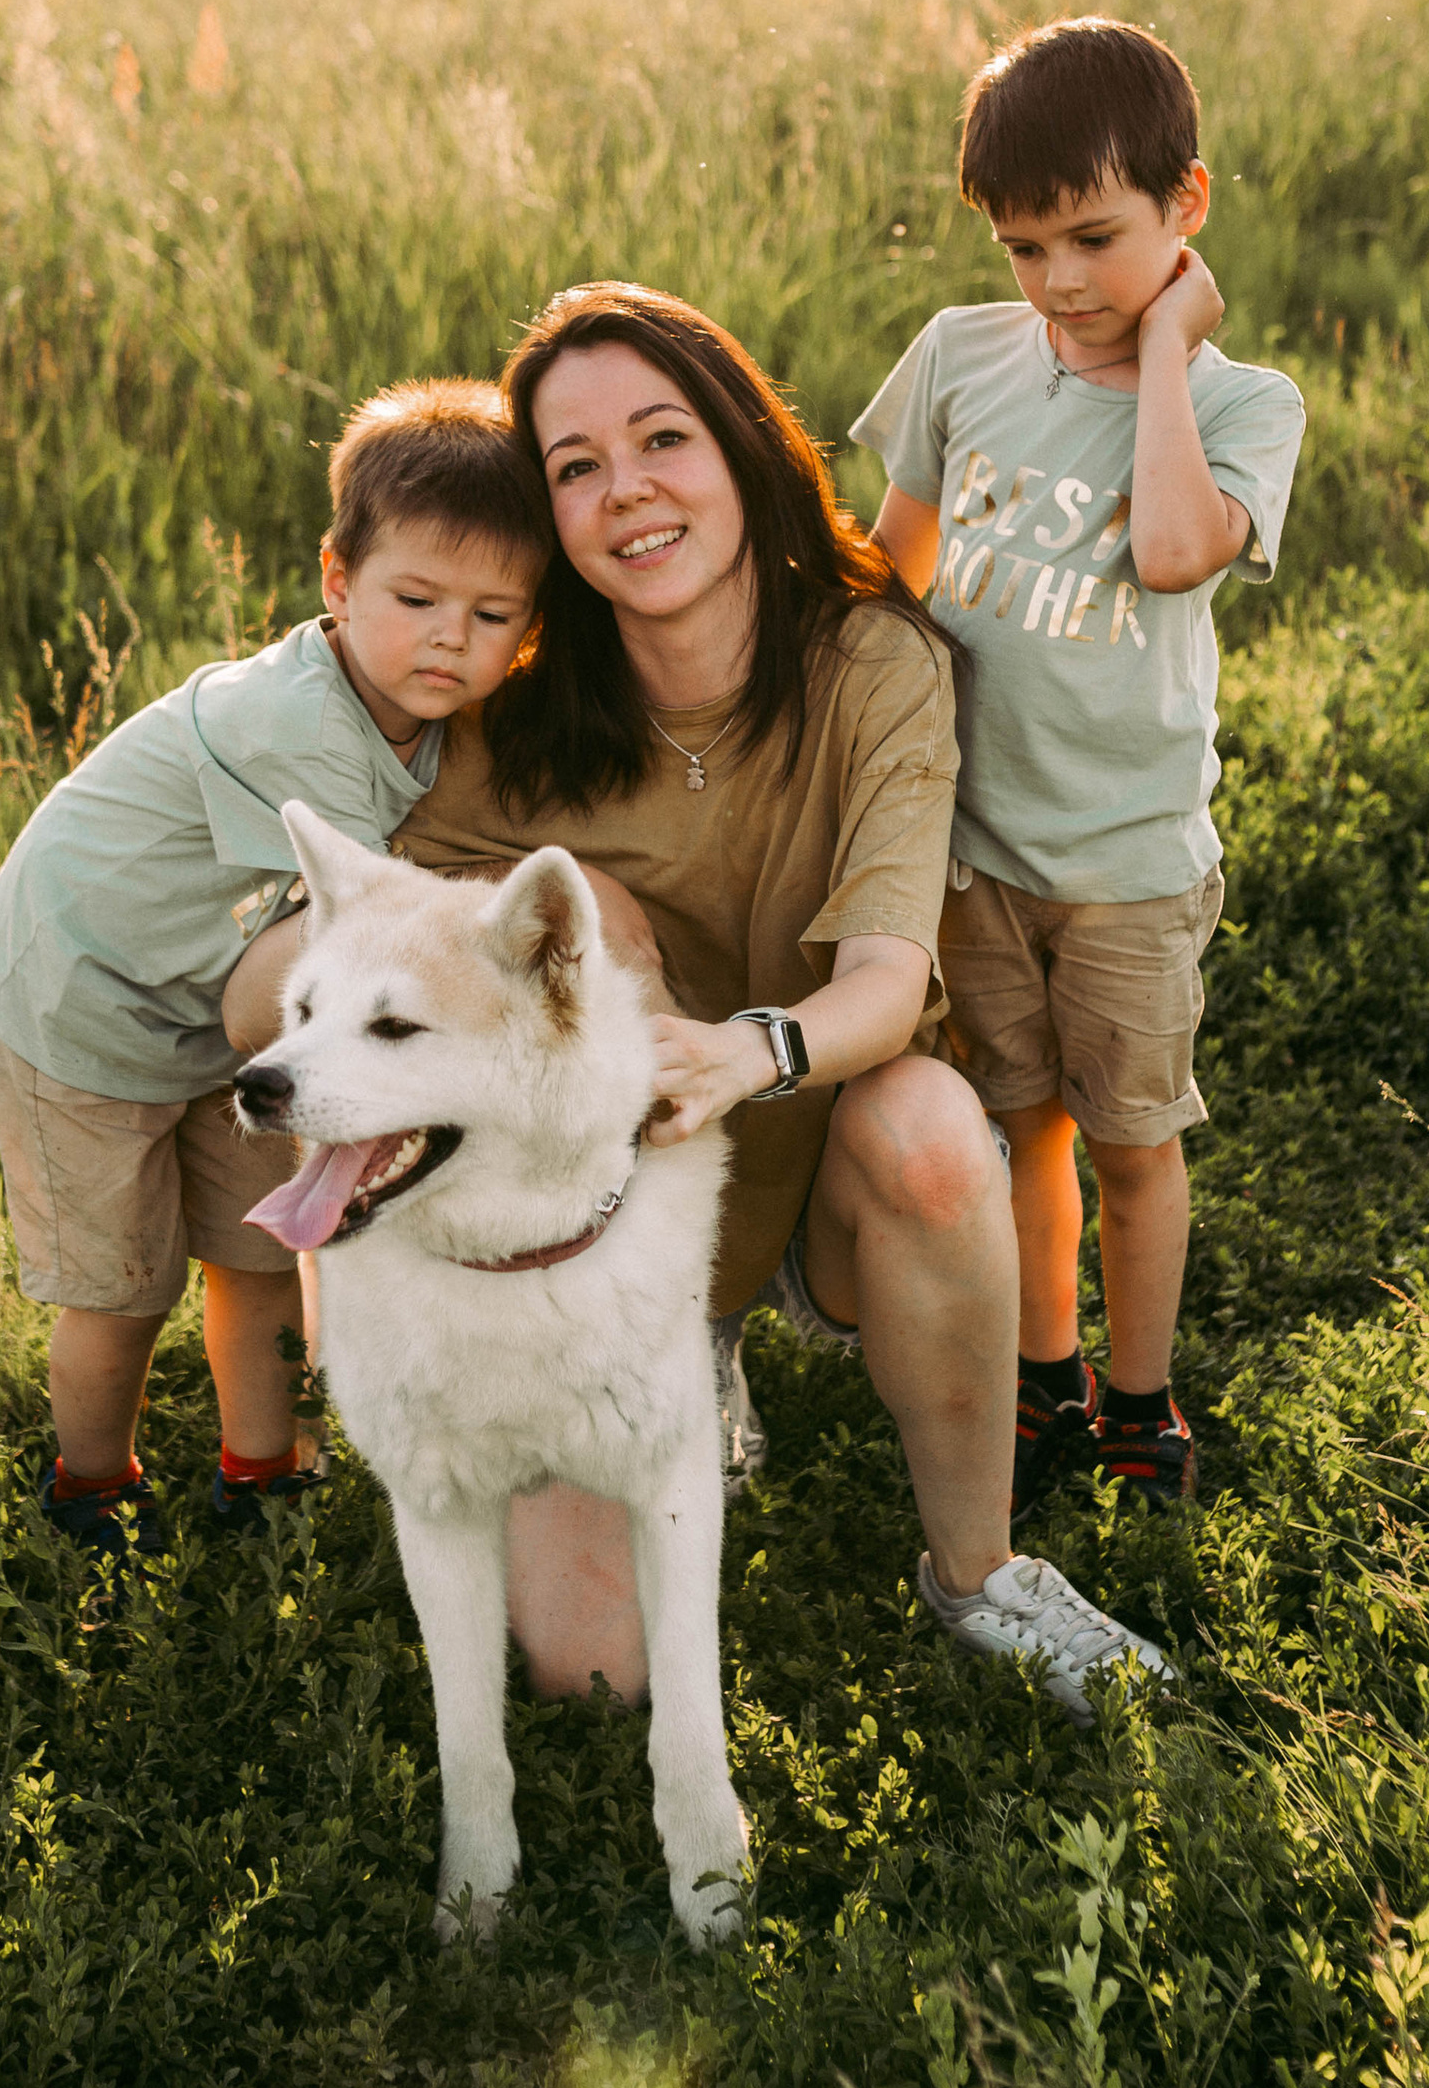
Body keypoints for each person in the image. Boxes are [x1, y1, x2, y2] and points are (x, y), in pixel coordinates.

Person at [250, 280, 1160, 1721]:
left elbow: (888, 980)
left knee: (929, 1123)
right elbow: (324, 980)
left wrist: (748, 1053)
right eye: (575, 469)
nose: (629, 493)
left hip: (817, 1171)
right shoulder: (504, 712)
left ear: (742, 447)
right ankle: (678, 1355)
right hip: (581, 1241)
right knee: (594, 1675)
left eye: (663, 438)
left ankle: (982, 1572)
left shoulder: (875, 663)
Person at [0, 378, 549, 1553]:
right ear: (337, 583)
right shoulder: (301, 725)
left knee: (263, 1252)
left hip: (216, 1001)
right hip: (82, 998)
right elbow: (375, 915)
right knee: (121, 1290)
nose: (449, 638)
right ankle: (89, 1492)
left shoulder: (423, 712)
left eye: (492, 617)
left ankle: (262, 1472)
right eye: (416, 598)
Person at [853, 17, 1306, 1525]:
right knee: (1020, 1127)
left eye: (1097, 238)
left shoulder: (1245, 405)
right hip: (979, 854)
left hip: (1125, 867)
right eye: (1024, 244)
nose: (1057, 282)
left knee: (1130, 1146)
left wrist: (1165, 349)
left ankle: (1139, 1395)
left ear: (1188, 203)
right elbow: (891, 575)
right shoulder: (960, 358)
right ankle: (1048, 1370)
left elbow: (1176, 551)